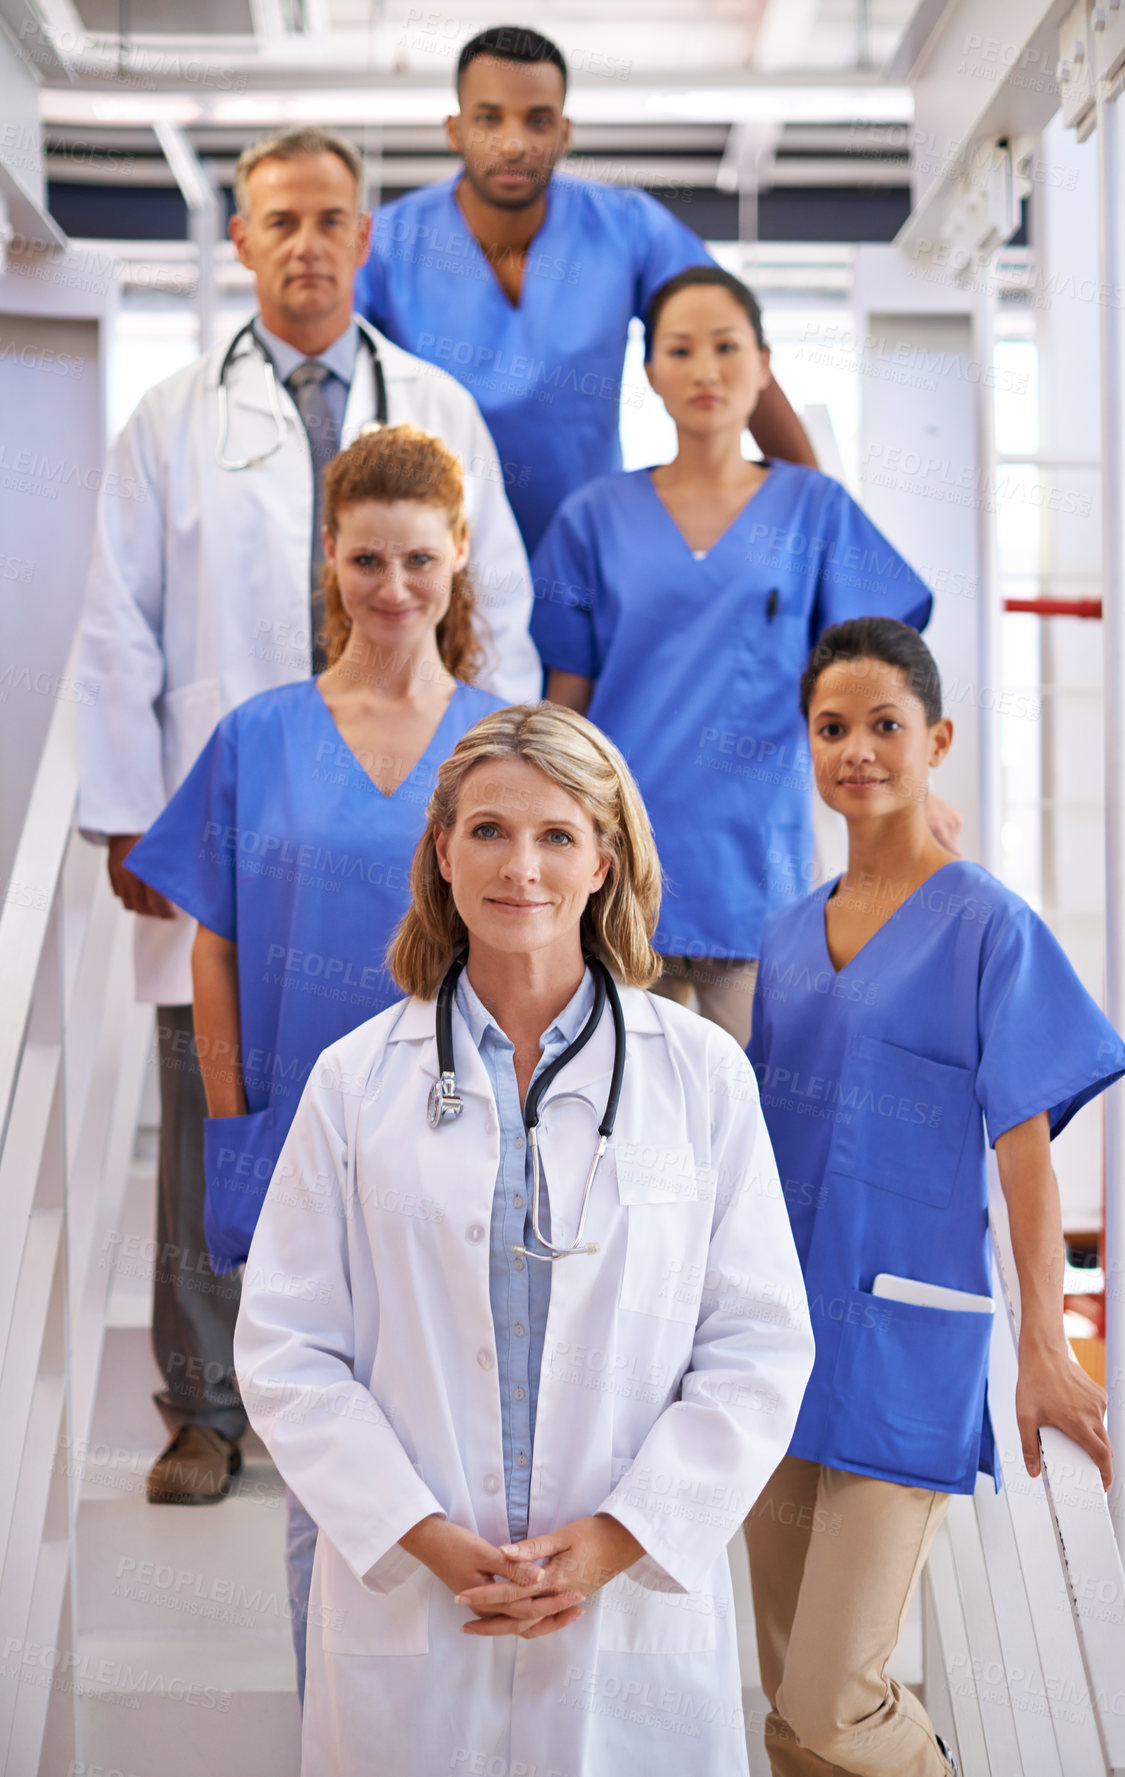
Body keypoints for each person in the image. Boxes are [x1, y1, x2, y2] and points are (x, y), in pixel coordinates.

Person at [77, 125, 539, 1510]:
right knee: (214, 1098)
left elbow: (496, 600)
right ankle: (208, 1409)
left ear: (365, 235)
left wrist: (502, 788)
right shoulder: (169, 418)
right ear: (242, 239)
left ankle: (398, 1400)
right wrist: (122, 813)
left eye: (332, 216)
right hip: (240, 802)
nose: (308, 241)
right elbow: (118, 624)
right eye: (279, 219)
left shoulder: (440, 405)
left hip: (411, 802)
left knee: (415, 1099)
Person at [234, 702, 815, 1776]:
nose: (522, 866)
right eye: (491, 830)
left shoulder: (699, 1076)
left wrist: (611, 1543)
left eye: (558, 835)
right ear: (443, 851)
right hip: (417, 1601)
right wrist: (428, 1538)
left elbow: (759, 1347)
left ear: (604, 861)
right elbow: (287, 1349)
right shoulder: (357, 1081)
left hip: (626, 1613)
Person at [124, 424, 503, 1693]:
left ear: (458, 564)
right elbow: (215, 954)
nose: (392, 589)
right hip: (292, 1131)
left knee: (455, 1436)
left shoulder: (501, 741)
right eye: (365, 561)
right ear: (327, 564)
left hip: (465, 1134)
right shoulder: (260, 734)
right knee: (322, 1455)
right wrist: (233, 1121)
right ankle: (337, 1718)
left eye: (418, 560)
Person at [745, 617, 1124, 1777]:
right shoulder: (786, 932)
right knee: (783, 1706)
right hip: (777, 1345)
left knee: (833, 1706)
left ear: (937, 738)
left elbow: (1026, 1161)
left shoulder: (988, 926)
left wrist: (1049, 1349)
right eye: (832, 727)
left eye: (885, 725)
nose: (858, 748)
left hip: (908, 1344)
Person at [533, 265, 958, 1049]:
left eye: (726, 347)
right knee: (612, 1115)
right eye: (680, 349)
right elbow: (567, 701)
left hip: (757, 876)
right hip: (619, 868)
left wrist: (913, 792)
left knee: (766, 1130)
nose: (704, 369)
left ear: (763, 366)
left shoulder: (812, 508)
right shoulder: (593, 518)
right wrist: (534, 824)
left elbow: (875, 667)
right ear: (650, 371)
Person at [354, 26, 816, 553]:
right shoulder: (387, 244)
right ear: (454, 130)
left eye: (538, 120)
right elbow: (328, 375)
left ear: (565, 134)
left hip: (585, 553)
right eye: (488, 118)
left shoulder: (626, 228)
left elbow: (731, 346)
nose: (514, 143)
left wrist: (818, 507)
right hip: (428, 554)